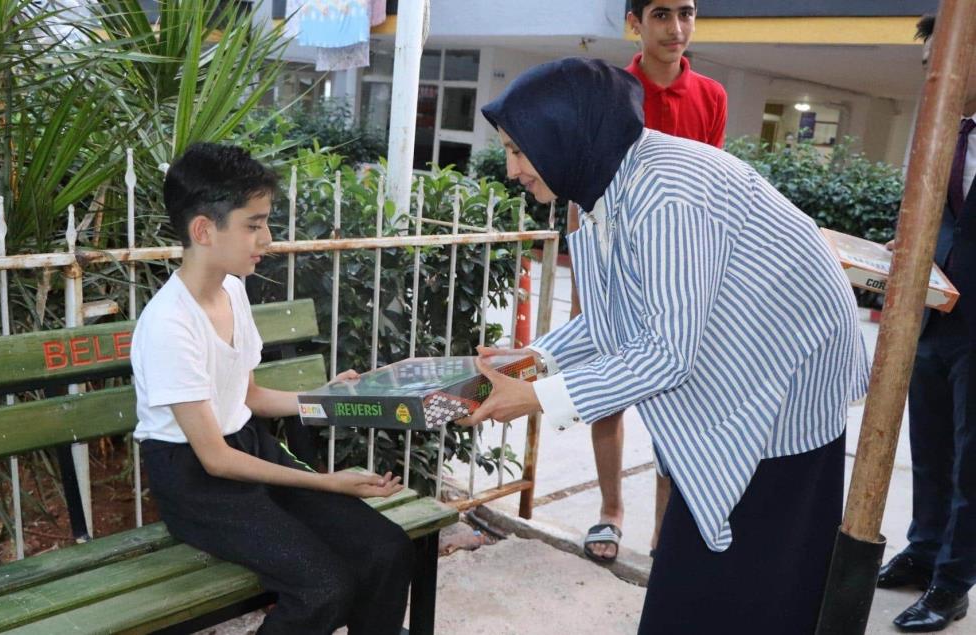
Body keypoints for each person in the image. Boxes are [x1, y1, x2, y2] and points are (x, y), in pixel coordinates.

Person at [467, 57, 869, 634]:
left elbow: (664, 353)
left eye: (519, 150)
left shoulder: (664, 195)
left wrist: (534, 399)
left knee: (758, 572)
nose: (512, 169)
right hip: (738, 363)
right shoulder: (608, 183)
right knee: (703, 560)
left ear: (566, 134)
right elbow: (622, 317)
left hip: (786, 376)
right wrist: (534, 362)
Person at [131, 142, 414, 635]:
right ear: (204, 229)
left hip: (251, 451)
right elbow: (215, 459)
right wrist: (327, 481)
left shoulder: (233, 289)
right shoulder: (168, 325)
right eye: (253, 224)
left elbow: (250, 397)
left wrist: (330, 398)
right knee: (325, 587)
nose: (267, 238)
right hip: (197, 483)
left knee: (386, 549)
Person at [580, 0, 728, 565]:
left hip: (679, 272)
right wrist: (589, 285)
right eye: (662, 14)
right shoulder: (608, 88)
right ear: (636, 23)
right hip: (615, 264)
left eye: (686, 13)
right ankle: (610, 509)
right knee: (607, 394)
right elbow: (583, 180)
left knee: (678, 396)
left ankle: (667, 536)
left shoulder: (711, 96)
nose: (677, 27)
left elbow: (712, 190)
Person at [876, 14, 976, 633]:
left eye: (943, 57)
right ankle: (922, 549)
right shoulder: (943, 131)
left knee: (972, 458)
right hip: (933, 314)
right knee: (930, 446)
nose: (931, 73)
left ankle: (953, 578)